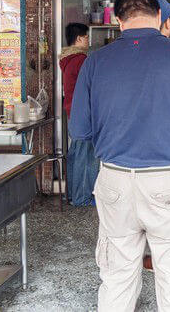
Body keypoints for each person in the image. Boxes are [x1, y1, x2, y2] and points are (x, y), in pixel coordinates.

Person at [69, 0, 170, 312]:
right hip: (169, 183)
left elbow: (79, 130)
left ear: (119, 21)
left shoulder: (95, 61)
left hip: (115, 181)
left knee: (117, 274)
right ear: (161, 19)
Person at [61, 22, 97, 206]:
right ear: (80, 38)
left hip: (73, 111)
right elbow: (91, 87)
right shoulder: (81, 60)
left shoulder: (67, 59)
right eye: (87, 37)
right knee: (86, 156)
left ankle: (72, 195)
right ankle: (82, 198)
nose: (88, 40)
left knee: (76, 154)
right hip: (84, 112)